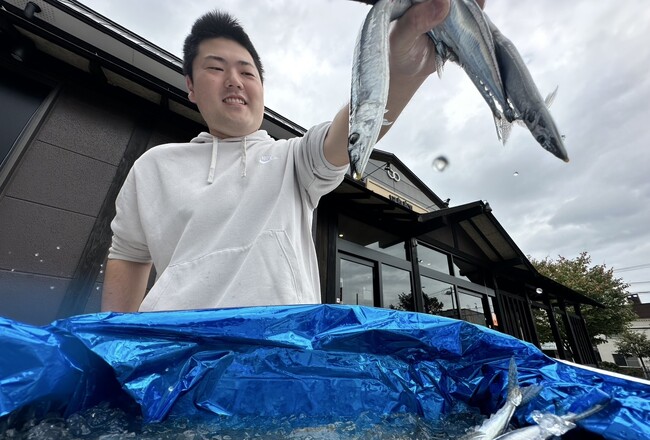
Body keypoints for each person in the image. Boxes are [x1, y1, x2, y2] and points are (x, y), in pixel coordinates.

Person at [101, 0, 454, 313]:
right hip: (177, 362)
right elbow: (129, 254)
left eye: (246, 71)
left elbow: (344, 139)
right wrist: (113, 357)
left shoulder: (292, 160)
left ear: (262, 88)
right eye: (215, 67)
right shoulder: (154, 166)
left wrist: (401, 69)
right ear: (190, 86)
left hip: (283, 362)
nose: (234, 80)